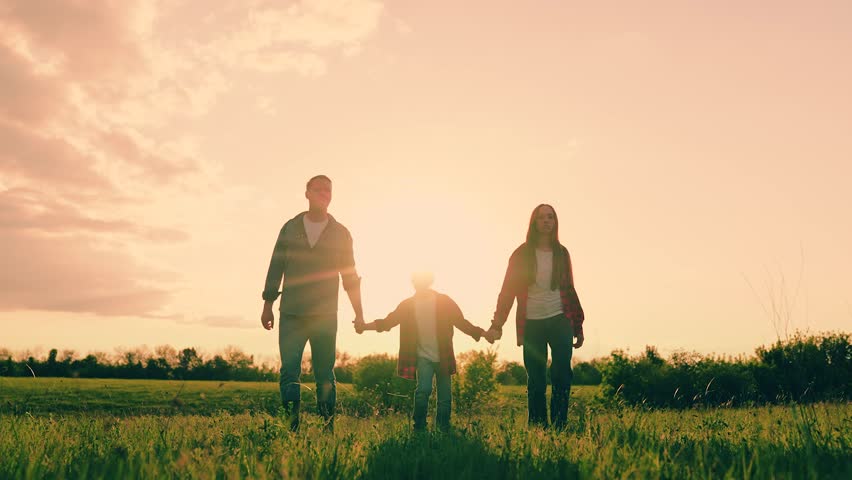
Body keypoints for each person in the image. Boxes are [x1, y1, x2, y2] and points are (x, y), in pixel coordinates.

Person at [261, 175, 364, 431]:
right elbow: (276, 267)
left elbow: (350, 276)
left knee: (325, 374)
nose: (324, 194)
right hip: (292, 313)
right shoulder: (290, 228)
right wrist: (267, 303)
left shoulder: (341, 233)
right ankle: (291, 428)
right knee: (289, 372)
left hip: (325, 315)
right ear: (307, 193)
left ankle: (327, 428)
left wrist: (359, 314)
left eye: (328, 191)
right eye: (318, 190)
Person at [484, 204, 585, 429]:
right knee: (537, 380)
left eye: (550, 217)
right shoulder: (521, 255)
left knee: (561, 375)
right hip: (532, 323)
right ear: (534, 222)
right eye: (542, 218)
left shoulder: (562, 253)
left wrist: (577, 325)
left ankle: (559, 426)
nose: (546, 221)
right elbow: (507, 292)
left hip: (560, 320)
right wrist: (497, 325)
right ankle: (539, 427)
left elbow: (569, 290)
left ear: (555, 222)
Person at [357, 271, 487, 432]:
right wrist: (364, 327)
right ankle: (419, 427)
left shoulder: (444, 302)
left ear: (429, 281)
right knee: (423, 391)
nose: (419, 284)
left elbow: (461, 322)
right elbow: (387, 322)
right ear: (414, 283)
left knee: (445, 398)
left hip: (443, 356)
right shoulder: (407, 305)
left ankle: (443, 428)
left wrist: (483, 333)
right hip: (422, 357)